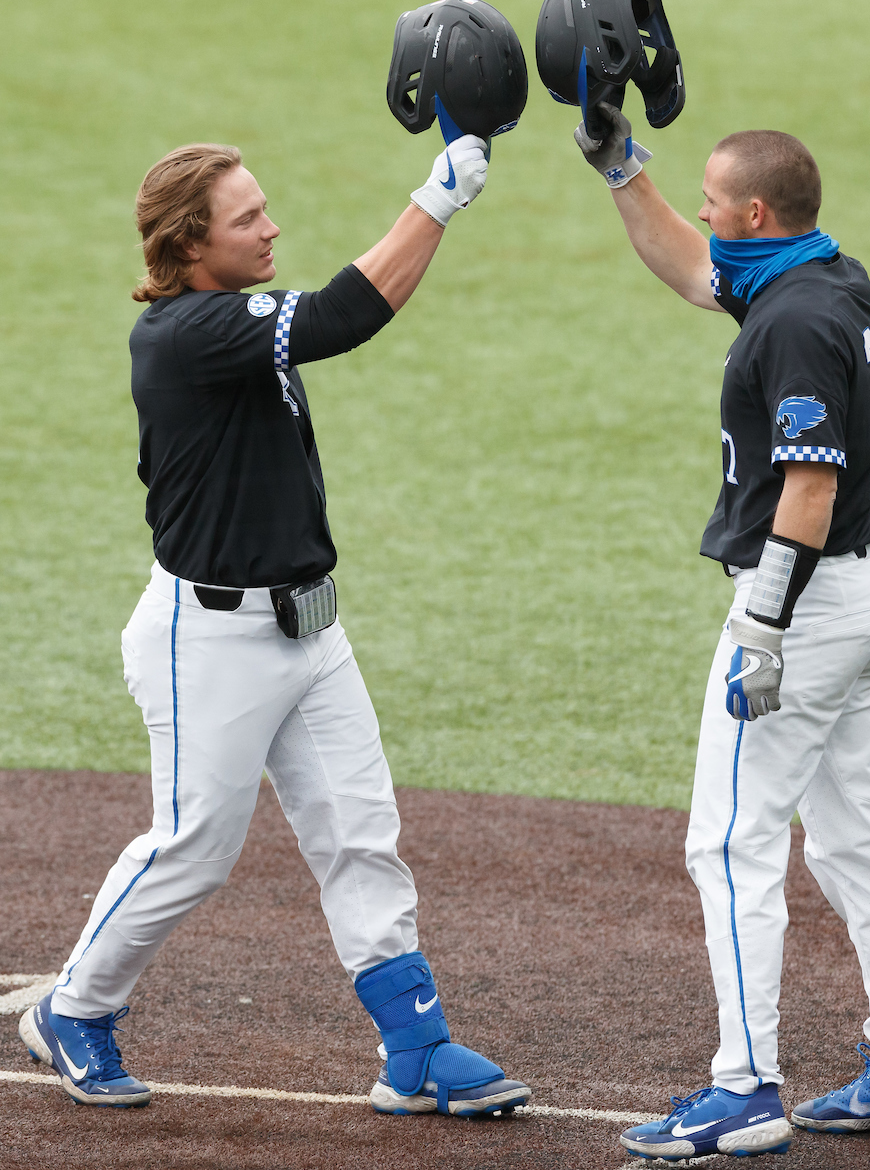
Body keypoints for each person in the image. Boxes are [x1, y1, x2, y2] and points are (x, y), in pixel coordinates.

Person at [18, 138, 531, 1120]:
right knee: (194, 848)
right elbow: (344, 314)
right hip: (208, 643)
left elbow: (328, 317)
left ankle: (416, 1048)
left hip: (310, 634)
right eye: (247, 217)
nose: (272, 228)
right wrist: (438, 197)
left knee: (360, 832)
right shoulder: (188, 333)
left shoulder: (233, 324)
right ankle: (73, 1009)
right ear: (190, 243)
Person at [573, 106, 870, 1160]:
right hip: (862, 602)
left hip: (807, 612)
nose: (701, 216)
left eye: (712, 202)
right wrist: (621, 171)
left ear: (753, 212)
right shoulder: (824, 275)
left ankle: (744, 1088)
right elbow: (695, 271)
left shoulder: (793, 321)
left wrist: (761, 625)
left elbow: (809, 487)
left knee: (731, 846)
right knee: (852, 844)